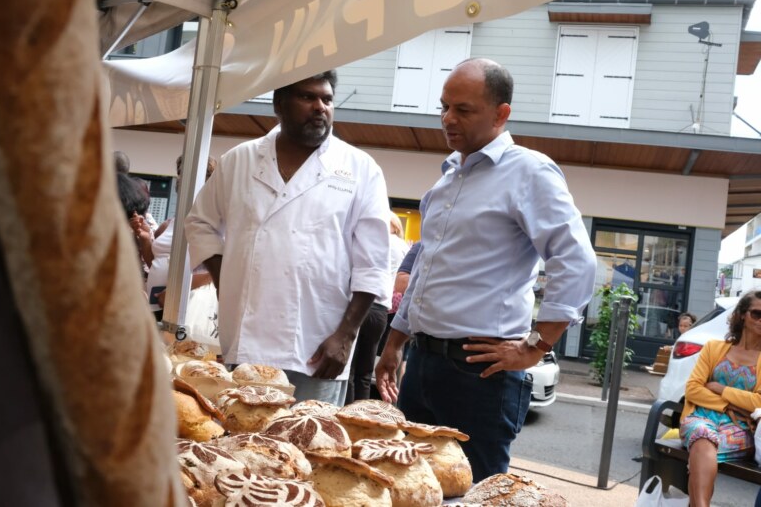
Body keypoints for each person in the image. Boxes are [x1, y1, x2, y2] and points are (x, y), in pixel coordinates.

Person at [375, 58, 597, 481]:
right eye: (443, 107)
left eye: (463, 109)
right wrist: (395, 343)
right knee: (410, 486)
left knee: (475, 491)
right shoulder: (447, 180)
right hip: (422, 365)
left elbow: (576, 261)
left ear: (501, 114)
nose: (447, 119)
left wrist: (535, 346)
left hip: (478, 374)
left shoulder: (529, 171)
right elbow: (423, 269)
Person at [185, 71, 391, 406]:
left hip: (319, 345)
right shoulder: (239, 160)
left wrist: (345, 335)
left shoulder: (359, 168)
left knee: (312, 446)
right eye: (308, 97)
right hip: (248, 339)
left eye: (327, 99)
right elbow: (199, 223)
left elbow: (374, 262)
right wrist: (227, 279)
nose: (320, 107)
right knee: (245, 441)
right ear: (280, 104)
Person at [679, 290, 761, 507]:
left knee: (703, 448)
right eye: (757, 314)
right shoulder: (715, 348)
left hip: (741, 428)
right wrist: (729, 405)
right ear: (742, 314)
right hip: (700, 417)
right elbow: (693, 389)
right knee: (703, 435)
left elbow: (759, 403)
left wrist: (720, 388)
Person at [133, 156, 217, 322]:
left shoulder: (214, 225)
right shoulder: (168, 225)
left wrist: (177, 291)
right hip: (156, 305)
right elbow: (155, 264)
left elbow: (217, 272)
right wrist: (145, 239)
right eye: (180, 175)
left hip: (188, 308)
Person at [345, 212, 409, 404]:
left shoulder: (372, 240)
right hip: (382, 308)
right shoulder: (404, 246)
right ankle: (363, 411)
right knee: (366, 370)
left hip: (362, 303)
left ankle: (347, 413)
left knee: (350, 368)